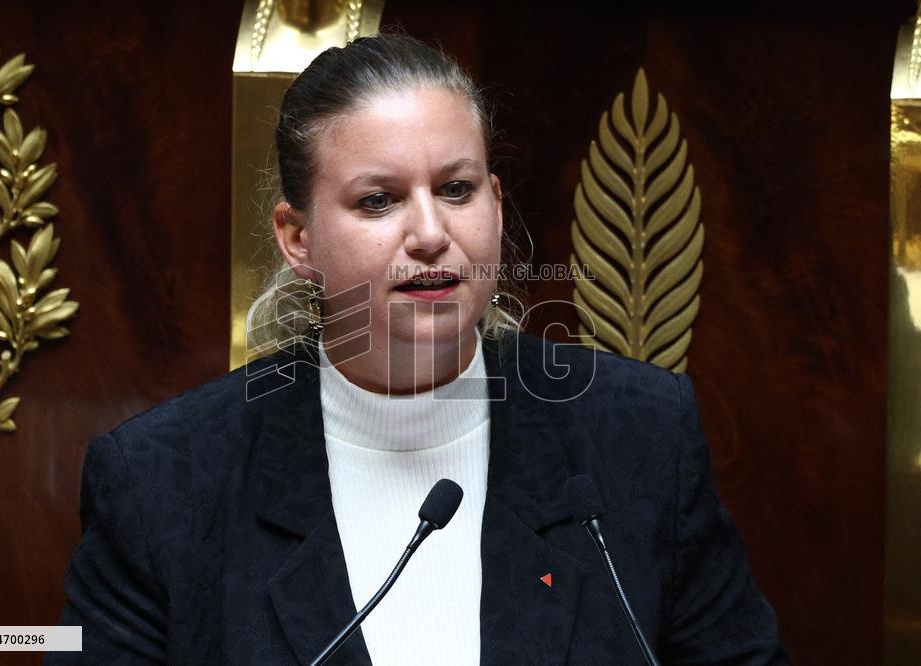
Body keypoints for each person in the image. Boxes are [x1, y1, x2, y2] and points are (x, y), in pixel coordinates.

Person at [48, 33, 787, 665]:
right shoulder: (161, 484)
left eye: (458, 189)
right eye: (379, 200)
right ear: (298, 238)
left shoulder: (639, 436)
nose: (430, 232)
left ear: (496, 202)